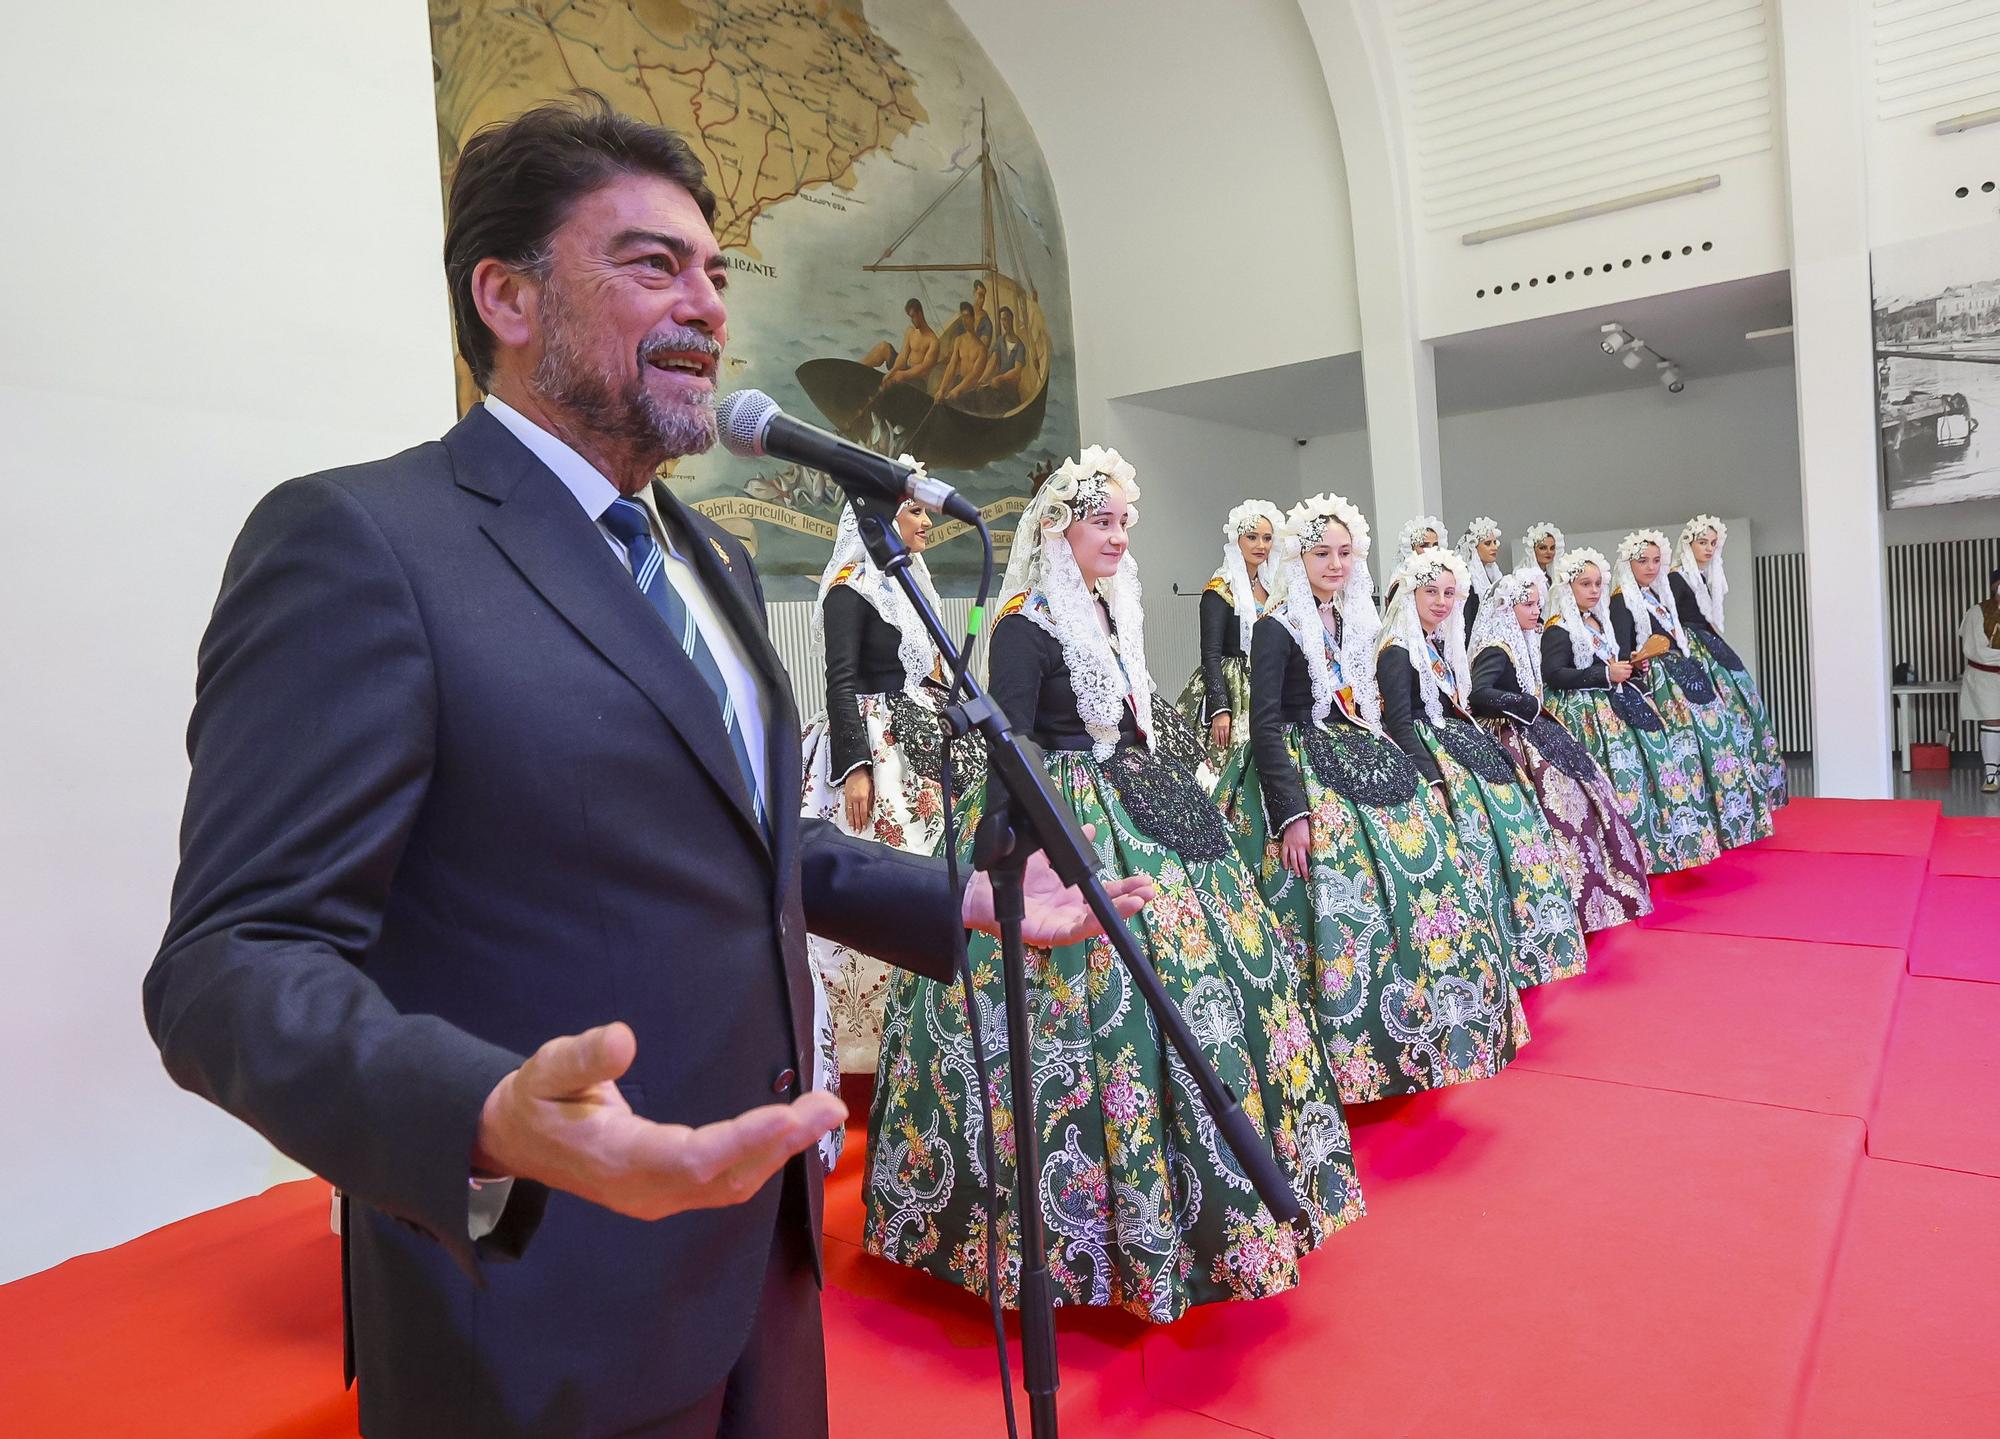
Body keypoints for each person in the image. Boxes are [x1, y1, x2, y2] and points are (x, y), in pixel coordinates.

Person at [141, 97, 1147, 1439]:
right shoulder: (361, 543)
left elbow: (735, 830)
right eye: (650, 264)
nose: (707, 307)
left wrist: (949, 898)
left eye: (715, 271)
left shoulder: (709, 557)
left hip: (760, 1265)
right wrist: (484, 1116)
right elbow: (227, 965)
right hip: (537, 1293)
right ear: (505, 294)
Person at [866, 448, 1365, 1322]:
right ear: (1060, 527)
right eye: (1103, 521)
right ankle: (1078, 1236)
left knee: (1206, 992)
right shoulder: (1024, 620)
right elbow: (1011, 741)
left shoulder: (1107, 603)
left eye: (1125, 522)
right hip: (1060, 816)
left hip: (1134, 799)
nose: (1119, 536)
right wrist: (1024, 851)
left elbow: (1126, 721)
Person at [1215, 493, 1527, 1101]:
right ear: (1297, 557)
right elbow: (1267, 723)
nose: (1336, 563)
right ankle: (1333, 1053)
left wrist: (1418, 777)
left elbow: (1374, 711)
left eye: (1345, 553)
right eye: (1322, 553)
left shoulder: (1348, 621)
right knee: (1329, 906)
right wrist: (1291, 814)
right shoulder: (1276, 628)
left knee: (1417, 884)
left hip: (1352, 752)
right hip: (1299, 770)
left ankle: (1415, 1033)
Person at [799, 485, 984, 1088]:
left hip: (922, 734)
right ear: (880, 517)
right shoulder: (851, 586)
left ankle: (933, 1028)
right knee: (885, 869)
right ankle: (862, 1052)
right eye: (914, 510)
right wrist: (854, 766)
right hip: (875, 747)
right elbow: (841, 680)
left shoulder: (911, 582)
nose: (926, 520)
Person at [1377, 550, 1589, 989]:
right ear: (1410, 594)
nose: (1440, 601)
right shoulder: (1397, 651)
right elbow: (1398, 722)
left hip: (1458, 745)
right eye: (1430, 592)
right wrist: (1431, 777)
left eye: (1449, 593)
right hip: (1431, 756)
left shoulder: (1436, 643)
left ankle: (1523, 947)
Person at [1468, 566, 1653, 933]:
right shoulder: (1496, 647)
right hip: (1512, 734)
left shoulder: (1523, 640)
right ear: (1508, 608)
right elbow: (1479, 693)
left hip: (1533, 728)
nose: (1536, 611)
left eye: (1537, 604)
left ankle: (1592, 897)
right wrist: (1523, 705)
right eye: (1528, 605)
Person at [1544, 547, 1721, 874]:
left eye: (1598, 584)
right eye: (1585, 584)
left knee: (1644, 774)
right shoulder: (1557, 628)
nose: (1594, 591)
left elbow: (1610, 661)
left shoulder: (1597, 621)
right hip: (1584, 715)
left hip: (1615, 704)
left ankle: (1650, 851)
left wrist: (1629, 669)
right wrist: (1603, 675)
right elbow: (1553, 674)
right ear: (1567, 587)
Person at [1611, 530, 1774, 850]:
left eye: (1657, 561)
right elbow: (1623, 649)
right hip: (1658, 683)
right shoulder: (1621, 599)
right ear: (1628, 562)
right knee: (1689, 748)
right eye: (1643, 561)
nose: (1651, 567)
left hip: (1677, 673)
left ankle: (1724, 818)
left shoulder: (1654, 594)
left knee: (1717, 738)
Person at [1670, 516, 1789, 807]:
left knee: (1743, 705)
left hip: (1709, 644)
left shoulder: (1704, 576)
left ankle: (1751, 786)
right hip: (1689, 648)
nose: (1709, 548)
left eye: (1713, 543)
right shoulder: (1674, 577)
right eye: (1702, 542)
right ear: (1689, 543)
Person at [1176, 498, 1284, 772]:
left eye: (1267, 538)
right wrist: (1220, 708)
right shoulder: (1218, 589)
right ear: (1237, 540)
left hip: (1267, 680)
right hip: (1232, 685)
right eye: (1252, 537)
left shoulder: (1274, 588)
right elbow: (1210, 653)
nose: (1261, 546)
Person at [1963, 566, 2000, 793]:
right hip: (1985, 677)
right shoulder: (1977, 612)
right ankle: (1991, 775)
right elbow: (1976, 650)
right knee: (1993, 720)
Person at [860, 296, 939, 392]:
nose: (912, 321)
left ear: (920, 313)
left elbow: (923, 369)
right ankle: (856, 369)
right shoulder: (910, 332)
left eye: (913, 316)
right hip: (905, 370)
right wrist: (893, 370)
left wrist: (902, 375)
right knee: (884, 347)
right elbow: (903, 356)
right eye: (910, 317)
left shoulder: (933, 341)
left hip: (917, 381)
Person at [1378, 513, 1445, 610]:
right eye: (1424, 545)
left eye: (1435, 545)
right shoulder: (1403, 577)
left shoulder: (1443, 573)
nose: (1431, 549)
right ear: (1411, 549)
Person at [1457, 515, 1504, 641]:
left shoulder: (1494, 574)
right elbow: (1466, 620)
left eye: (1495, 542)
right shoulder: (1467, 579)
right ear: (1474, 548)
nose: (1494, 547)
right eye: (1488, 543)